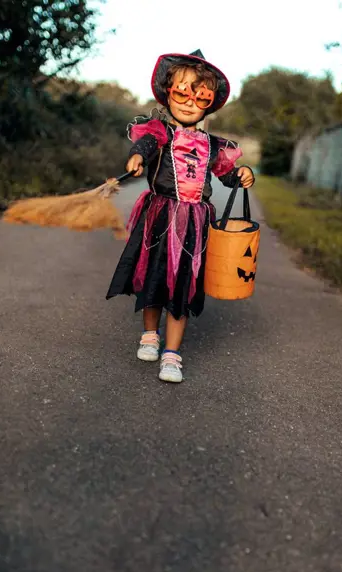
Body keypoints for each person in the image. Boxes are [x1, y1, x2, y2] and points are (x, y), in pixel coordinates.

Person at [106, 50, 254, 383]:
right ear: (167, 92)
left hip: (195, 226)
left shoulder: (214, 145)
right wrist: (136, 158)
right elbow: (144, 145)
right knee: (154, 273)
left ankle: (172, 355)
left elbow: (226, 175)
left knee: (183, 283)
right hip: (159, 217)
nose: (189, 102)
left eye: (200, 97)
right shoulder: (160, 132)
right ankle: (149, 335)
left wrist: (241, 174)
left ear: (210, 103)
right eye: (182, 93)